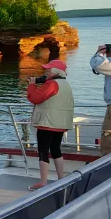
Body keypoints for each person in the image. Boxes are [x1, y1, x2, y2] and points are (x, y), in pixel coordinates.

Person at [26, 60, 75, 190]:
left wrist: (31, 85)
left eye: (48, 69)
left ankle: (43, 182)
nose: (45, 72)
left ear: (54, 71)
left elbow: (35, 98)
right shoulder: (66, 84)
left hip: (47, 123)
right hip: (60, 123)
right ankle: (61, 178)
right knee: (56, 149)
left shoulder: (52, 84)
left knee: (43, 151)